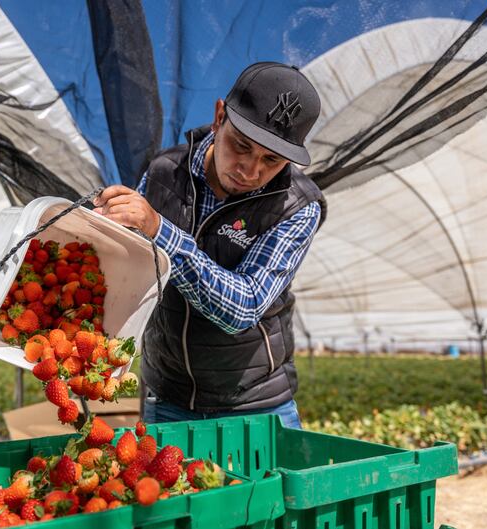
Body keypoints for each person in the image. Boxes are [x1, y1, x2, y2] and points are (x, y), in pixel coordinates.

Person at [93, 62, 325, 428]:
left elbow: (243, 308)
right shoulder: (164, 173)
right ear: (219, 117)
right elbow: (129, 268)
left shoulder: (297, 206)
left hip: (256, 406)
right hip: (169, 396)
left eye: (271, 160)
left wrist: (159, 228)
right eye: (241, 146)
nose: (250, 170)